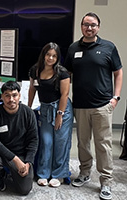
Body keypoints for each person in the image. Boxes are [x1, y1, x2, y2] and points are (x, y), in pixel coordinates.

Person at [64, 12, 123, 200]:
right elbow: (66, 75)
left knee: (103, 144)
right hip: (80, 105)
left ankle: (106, 181)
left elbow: (118, 73)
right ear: (81, 26)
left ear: (98, 27)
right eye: (86, 24)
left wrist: (115, 98)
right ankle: (84, 173)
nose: (89, 28)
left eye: (93, 25)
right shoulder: (73, 48)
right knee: (82, 142)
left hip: (102, 105)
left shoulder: (108, 47)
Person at [28, 42, 73, 187]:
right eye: (48, 55)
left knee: (61, 143)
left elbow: (65, 94)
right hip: (45, 109)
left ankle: (58, 174)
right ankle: (43, 173)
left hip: (61, 109)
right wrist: (28, 108)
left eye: (54, 56)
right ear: (44, 55)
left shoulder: (62, 73)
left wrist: (60, 115)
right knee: (46, 142)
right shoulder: (35, 70)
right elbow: (32, 89)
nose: (50, 58)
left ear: (58, 57)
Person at [0, 81, 38, 195]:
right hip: (2, 154)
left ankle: (14, 173)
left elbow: (33, 140)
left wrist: (28, 162)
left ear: (19, 95)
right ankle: (0, 176)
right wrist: (15, 160)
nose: (11, 99)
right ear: (2, 97)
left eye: (14, 95)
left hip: (22, 155)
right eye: (7, 96)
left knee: (24, 190)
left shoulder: (28, 113)